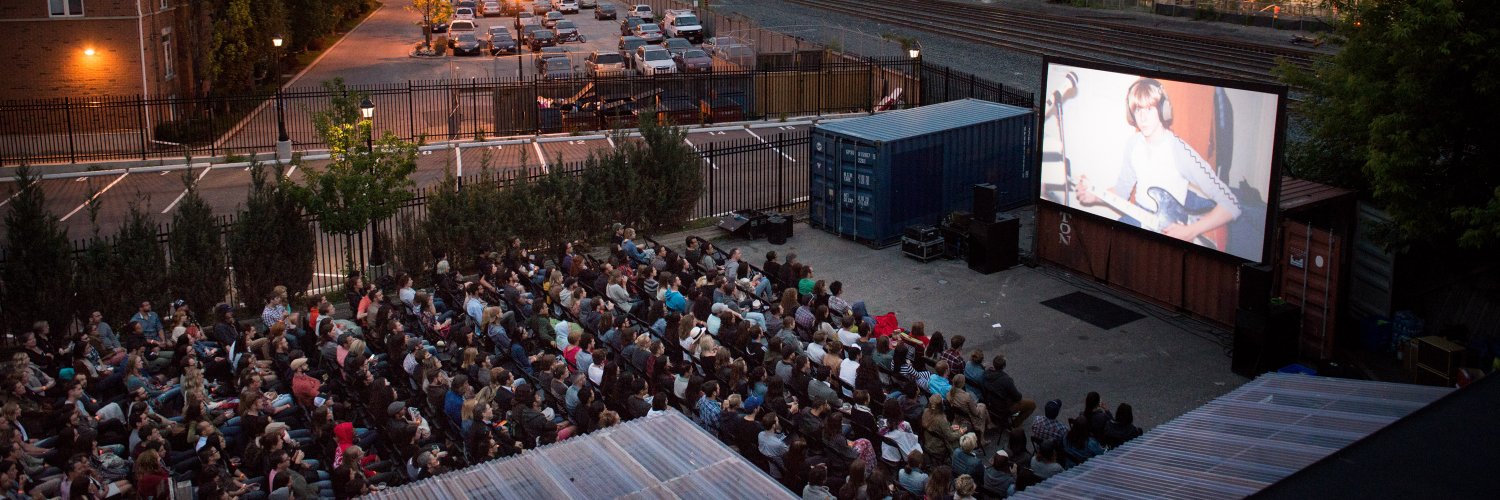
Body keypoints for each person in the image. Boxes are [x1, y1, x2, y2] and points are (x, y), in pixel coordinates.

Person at [1075, 78, 1240, 247]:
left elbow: (1232, 205)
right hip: (1138, 217)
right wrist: (1095, 195)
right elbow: (1122, 192)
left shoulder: (1180, 151)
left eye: (1149, 108)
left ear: (1163, 109)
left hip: (1170, 228)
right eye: (1138, 109)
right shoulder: (1133, 144)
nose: (1143, 117)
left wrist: (1192, 230)